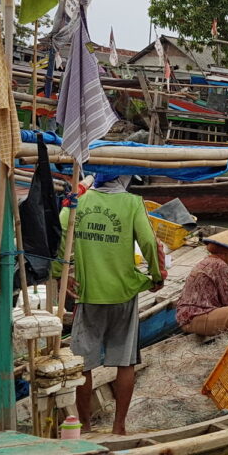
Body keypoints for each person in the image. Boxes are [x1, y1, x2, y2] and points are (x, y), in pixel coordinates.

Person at [56, 175, 163, 435]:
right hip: (123, 293)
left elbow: (60, 232)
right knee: (125, 362)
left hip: (87, 292)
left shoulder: (78, 202)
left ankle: (85, 425)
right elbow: (149, 242)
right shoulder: (133, 203)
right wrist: (156, 275)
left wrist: (62, 272)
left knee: (84, 364)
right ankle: (119, 427)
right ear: (124, 178)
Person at [176, 229, 228, 336]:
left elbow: (222, 298)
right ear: (226, 253)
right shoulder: (220, 266)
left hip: (187, 318)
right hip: (194, 319)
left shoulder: (207, 261)